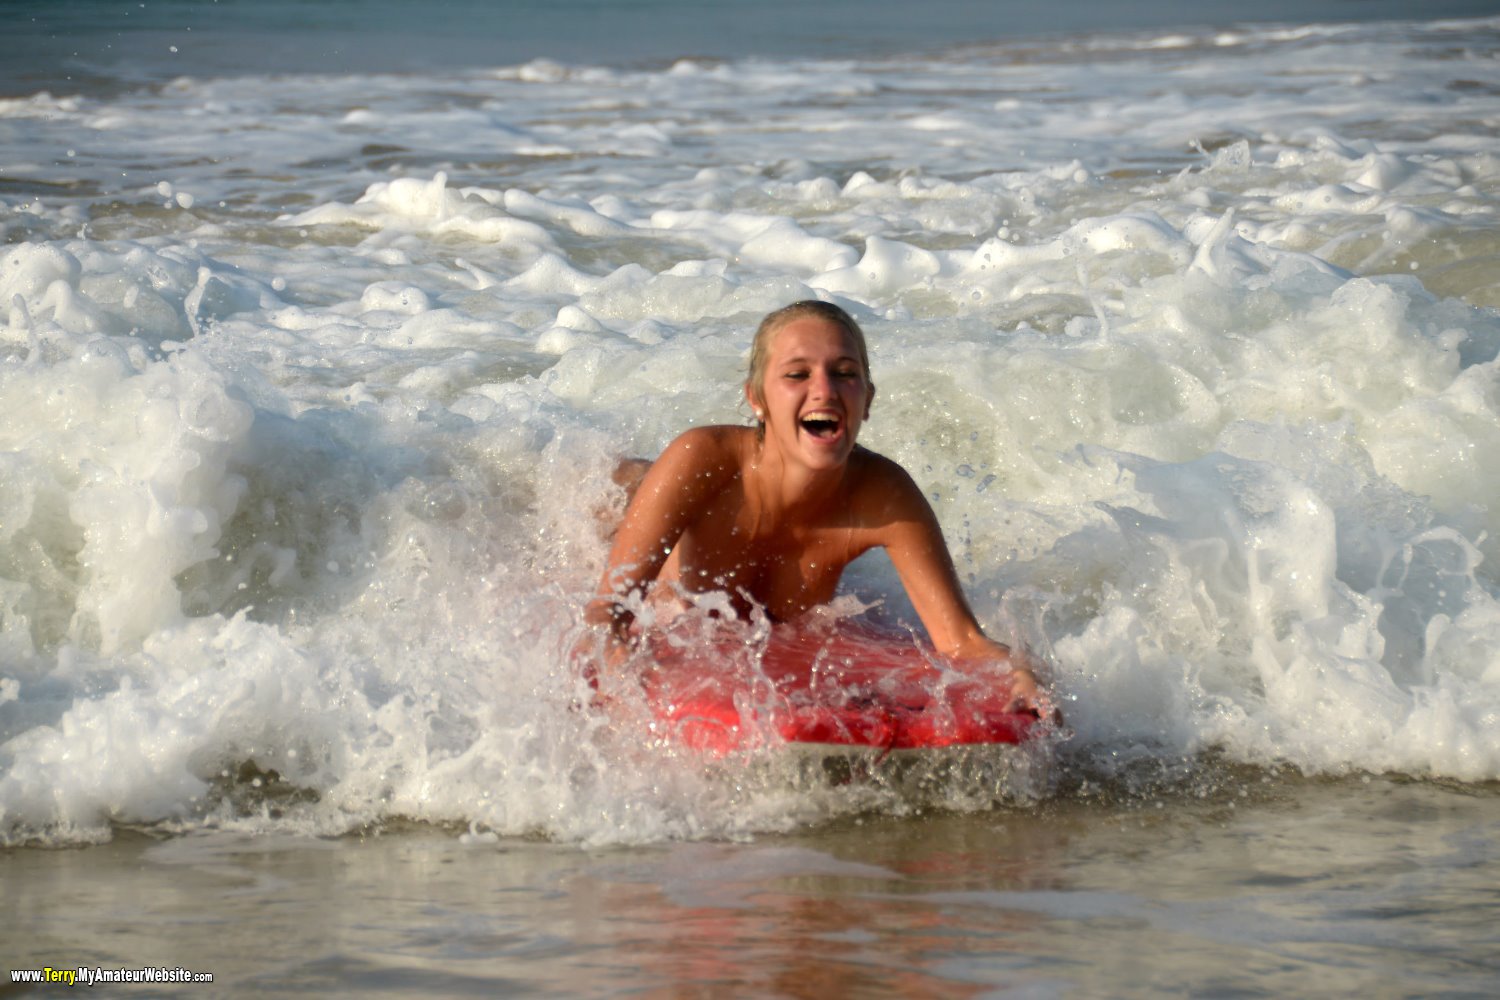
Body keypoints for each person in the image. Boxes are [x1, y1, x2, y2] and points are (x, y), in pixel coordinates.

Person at [584, 300, 1050, 715]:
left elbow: (963, 641)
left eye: (845, 373)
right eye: (797, 374)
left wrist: (1020, 675)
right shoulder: (701, 461)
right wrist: (619, 667)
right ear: (757, 399)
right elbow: (610, 610)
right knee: (623, 495)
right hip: (640, 511)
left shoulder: (884, 495)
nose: (825, 390)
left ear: (867, 400)